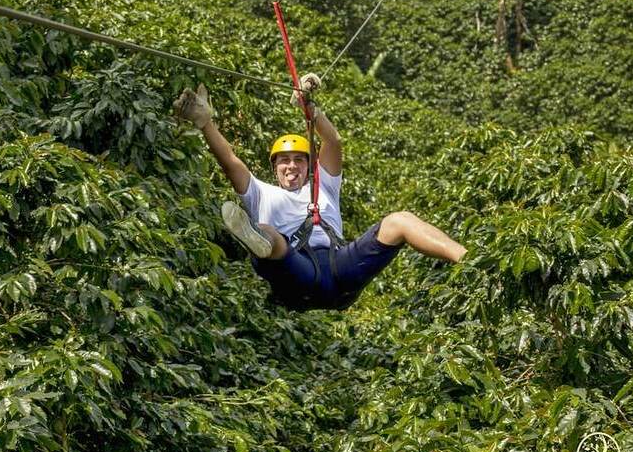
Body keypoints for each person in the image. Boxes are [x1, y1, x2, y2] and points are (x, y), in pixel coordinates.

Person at [173, 75, 467, 310]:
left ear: (309, 165)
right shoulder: (261, 193)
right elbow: (229, 161)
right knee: (267, 233)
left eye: (299, 160)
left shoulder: (323, 185)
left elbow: (333, 141)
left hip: (341, 266)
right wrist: (206, 122)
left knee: (399, 220)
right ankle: (256, 239)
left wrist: (311, 111)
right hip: (297, 273)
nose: (291, 167)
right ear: (274, 168)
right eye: (284, 162)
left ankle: (468, 258)